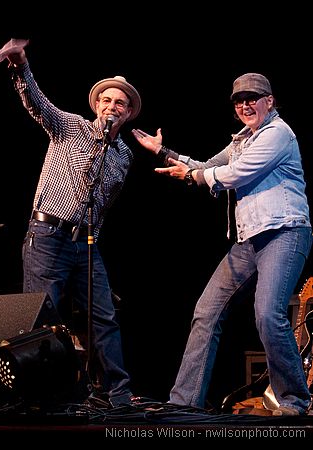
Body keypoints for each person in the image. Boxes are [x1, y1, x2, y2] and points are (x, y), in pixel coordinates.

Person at [132, 72, 312, 416]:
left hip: (285, 232)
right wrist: (164, 152)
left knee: (268, 314)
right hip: (249, 241)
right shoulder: (242, 140)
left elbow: (236, 174)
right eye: (239, 100)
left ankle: (295, 401)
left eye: (253, 98)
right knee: (207, 311)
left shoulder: (277, 134)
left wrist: (194, 176)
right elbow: (208, 167)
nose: (245, 105)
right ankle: (184, 404)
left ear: (269, 102)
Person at [0, 39, 142, 407]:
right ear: (97, 105)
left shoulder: (123, 156)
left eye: (120, 103)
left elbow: (104, 205)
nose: (113, 106)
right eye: (107, 100)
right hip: (48, 236)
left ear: (127, 113)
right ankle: (42, 396)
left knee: (104, 316)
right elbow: (37, 103)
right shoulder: (72, 127)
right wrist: (21, 65)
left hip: (86, 243)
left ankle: (118, 394)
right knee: (45, 318)